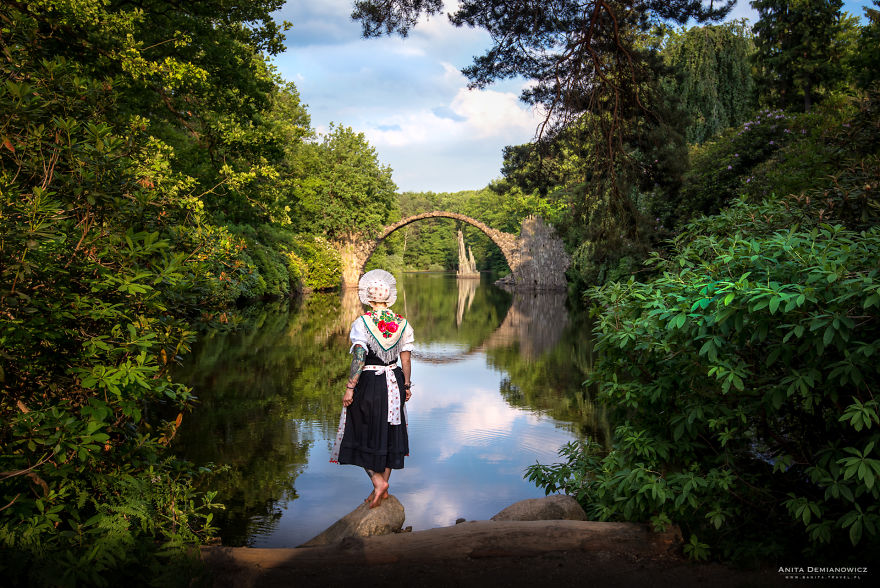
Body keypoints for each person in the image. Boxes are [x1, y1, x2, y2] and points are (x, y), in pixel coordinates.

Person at [330, 269, 414, 508]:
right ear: (388, 298)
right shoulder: (402, 324)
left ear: (368, 297)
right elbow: (405, 360)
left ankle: (378, 482)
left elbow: (359, 356)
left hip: (370, 382)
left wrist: (350, 387)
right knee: (389, 432)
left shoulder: (363, 323)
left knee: (356, 427)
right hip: (394, 380)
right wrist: (406, 385)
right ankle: (383, 488)